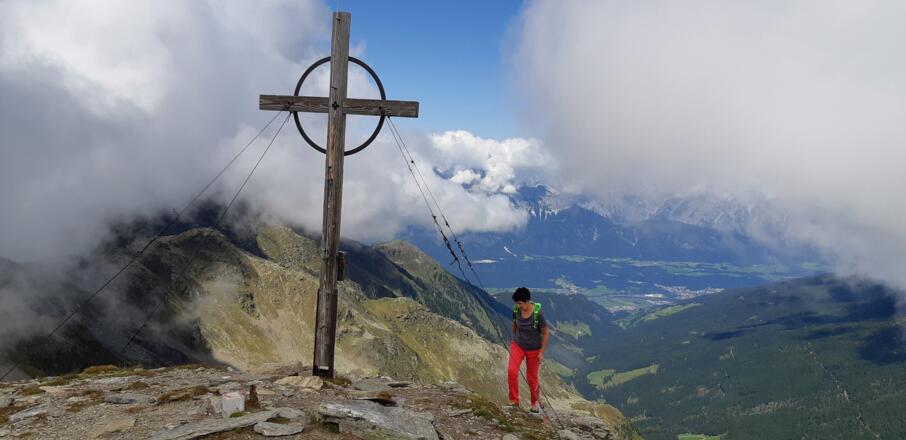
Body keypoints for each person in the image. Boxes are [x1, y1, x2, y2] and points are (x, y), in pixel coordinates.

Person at [507, 287, 549, 413]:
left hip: (534, 349)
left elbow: (546, 333)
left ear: (527, 301)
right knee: (512, 371)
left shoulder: (538, 314)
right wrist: (514, 339)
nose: (518, 305)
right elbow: (514, 323)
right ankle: (514, 400)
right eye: (517, 303)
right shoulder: (516, 310)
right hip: (518, 345)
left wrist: (542, 352)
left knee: (532, 378)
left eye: (520, 303)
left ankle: (534, 402)